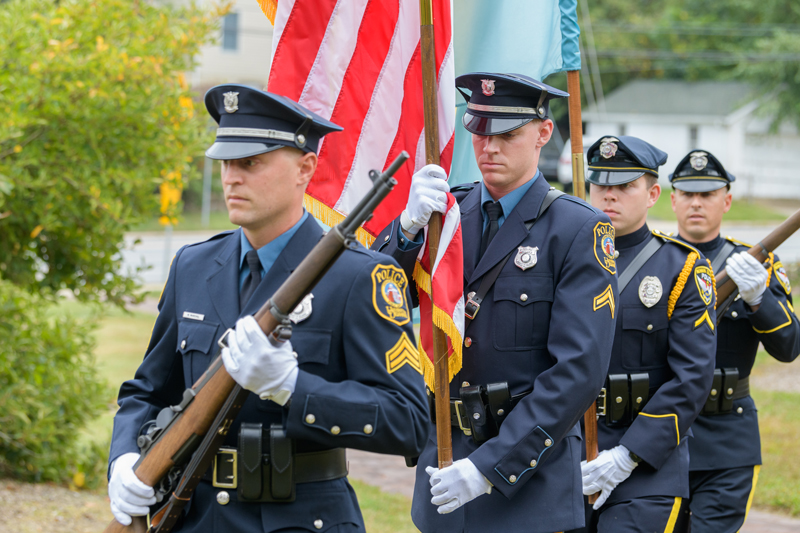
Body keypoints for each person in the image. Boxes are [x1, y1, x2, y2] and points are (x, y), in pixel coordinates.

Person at [107, 85, 430, 532]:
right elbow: (146, 391)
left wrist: (294, 388)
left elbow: (410, 421)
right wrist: (124, 458)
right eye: (226, 163)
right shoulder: (193, 266)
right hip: (194, 518)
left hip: (300, 520)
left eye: (251, 163)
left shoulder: (360, 276)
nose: (231, 178)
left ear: (305, 168)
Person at [374, 72, 617, 533]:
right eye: (479, 131)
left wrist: (490, 466)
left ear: (543, 133)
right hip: (444, 463)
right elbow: (377, 302)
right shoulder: (444, 218)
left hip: (527, 485)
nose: (489, 148)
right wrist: (405, 232)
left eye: (506, 134)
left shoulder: (577, 230)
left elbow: (577, 371)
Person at [570, 136, 717, 533]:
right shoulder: (562, 258)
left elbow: (692, 378)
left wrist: (628, 455)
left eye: (624, 187)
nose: (609, 197)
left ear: (653, 193)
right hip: (566, 462)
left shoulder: (681, 268)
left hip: (647, 467)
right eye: (601, 185)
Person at [669, 150, 800, 532]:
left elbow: (789, 346)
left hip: (728, 436)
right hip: (663, 431)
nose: (697, 202)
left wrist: (758, 299)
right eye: (688, 193)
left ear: (726, 200)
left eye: (708, 194)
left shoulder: (755, 264)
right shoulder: (655, 261)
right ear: (672, 198)